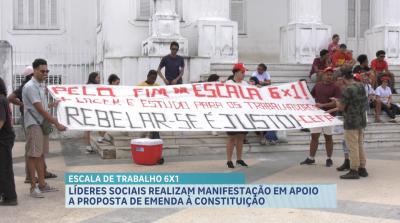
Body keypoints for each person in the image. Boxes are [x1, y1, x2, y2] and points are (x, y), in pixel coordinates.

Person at [22, 58, 66, 198]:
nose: (45, 73)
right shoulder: (30, 87)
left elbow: (44, 107)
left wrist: (54, 104)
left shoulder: (40, 86)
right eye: (42, 71)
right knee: (33, 155)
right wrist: (56, 123)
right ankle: (33, 187)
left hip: (41, 125)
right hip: (34, 125)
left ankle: (42, 184)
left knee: (40, 155)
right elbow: (40, 110)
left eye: (47, 71)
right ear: (34, 71)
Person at [300, 67, 341, 167]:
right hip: (317, 115)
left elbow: (337, 104)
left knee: (328, 137)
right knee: (314, 137)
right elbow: (311, 97)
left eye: (331, 75)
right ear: (323, 75)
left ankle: (329, 158)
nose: (329, 76)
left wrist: (322, 105)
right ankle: (311, 158)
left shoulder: (336, 87)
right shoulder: (317, 85)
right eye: (327, 74)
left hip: (329, 115)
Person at [331, 70, 368, 179]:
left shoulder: (348, 89)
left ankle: (354, 170)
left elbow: (341, 107)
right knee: (359, 144)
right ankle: (362, 168)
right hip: (361, 119)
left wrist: (336, 101)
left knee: (352, 146)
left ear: (343, 78)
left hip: (351, 121)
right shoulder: (361, 86)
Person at [225, 63, 249, 168]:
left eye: (244, 72)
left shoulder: (246, 84)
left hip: (243, 114)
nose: (243, 74)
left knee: (241, 137)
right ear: (236, 72)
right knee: (231, 138)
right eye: (242, 72)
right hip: (232, 114)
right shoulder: (228, 84)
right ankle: (229, 160)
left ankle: (239, 159)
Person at [0, 77, 17, 206]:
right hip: (6, 138)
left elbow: (1, 121)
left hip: (3, 139)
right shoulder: (3, 99)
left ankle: (10, 197)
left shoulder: (0, 100)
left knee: (4, 168)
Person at [96, 74, 121, 144]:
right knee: (105, 123)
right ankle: (101, 137)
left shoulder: (116, 89)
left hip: (110, 109)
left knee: (107, 123)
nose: (118, 85)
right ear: (112, 82)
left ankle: (101, 137)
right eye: (117, 83)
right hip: (105, 108)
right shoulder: (106, 88)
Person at [138, 70, 161, 139]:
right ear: (148, 77)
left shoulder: (157, 86)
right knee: (144, 133)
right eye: (152, 78)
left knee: (155, 130)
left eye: (155, 79)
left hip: (154, 113)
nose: (153, 80)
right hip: (144, 113)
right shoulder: (140, 86)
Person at [84, 72, 101, 152]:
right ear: (93, 78)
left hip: (91, 110)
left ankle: (88, 145)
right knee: (88, 128)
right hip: (90, 110)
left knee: (88, 129)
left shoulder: (88, 86)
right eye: (98, 78)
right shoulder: (91, 87)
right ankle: (89, 145)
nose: (99, 79)